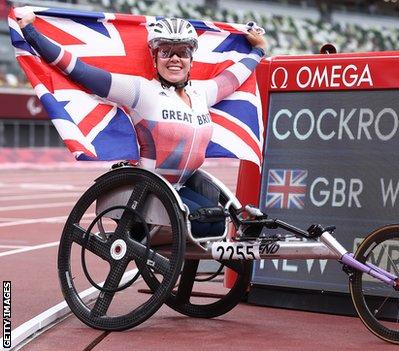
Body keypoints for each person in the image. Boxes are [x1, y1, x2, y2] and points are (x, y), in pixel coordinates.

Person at [17, 12, 268, 238]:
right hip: (151, 189)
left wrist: (258, 51)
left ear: (192, 58)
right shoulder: (141, 91)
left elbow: (234, 77)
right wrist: (31, 32)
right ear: (154, 55)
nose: (174, 59)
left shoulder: (202, 93)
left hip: (183, 186)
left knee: (218, 223)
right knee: (204, 223)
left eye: (182, 52)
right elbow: (80, 71)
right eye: (166, 51)